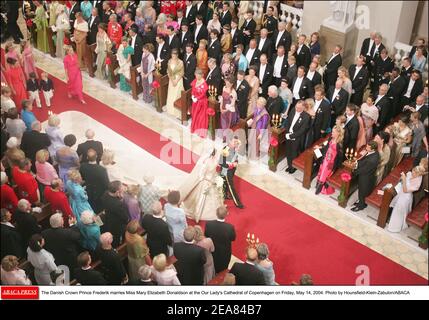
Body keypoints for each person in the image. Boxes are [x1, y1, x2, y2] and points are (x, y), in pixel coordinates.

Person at [388, 165, 425, 233]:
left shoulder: (416, 185)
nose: (413, 173)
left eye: (416, 173)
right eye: (413, 171)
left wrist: (405, 179)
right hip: (401, 194)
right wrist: (402, 178)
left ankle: (395, 228)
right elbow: (401, 181)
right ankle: (392, 224)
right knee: (396, 210)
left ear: (419, 174)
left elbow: (405, 190)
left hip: (406, 198)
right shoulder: (409, 173)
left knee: (399, 211)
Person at [314, 125, 344, 195]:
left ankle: (320, 187)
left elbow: (340, 156)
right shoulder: (331, 138)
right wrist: (319, 147)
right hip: (325, 159)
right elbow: (326, 146)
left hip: (331, 163)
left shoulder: (339, 144)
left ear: (338, 133)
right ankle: (318, 184)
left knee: (325, 174)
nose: (332, 133)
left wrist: (339, 167)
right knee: (321, 171)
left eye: (333, 132)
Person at [351, 141, 380, 212]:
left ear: (373, 149)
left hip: (366, 178)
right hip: (366, 175)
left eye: (368, 147)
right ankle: (361, 203)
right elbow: (365, 161)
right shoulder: (374, 153)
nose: (366, 147)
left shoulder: (372, 160)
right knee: (361, 191)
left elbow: (364, 170)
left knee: (362, 191)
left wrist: (354, 171)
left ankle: (361, 206)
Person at [284, 100, 311, 174]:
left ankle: (293, 167)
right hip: (288, 134)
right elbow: (288, 121)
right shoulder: (293, 110)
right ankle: (289, 165)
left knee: (294, 153)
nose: (297, 109)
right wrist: (287, 132)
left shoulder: (306, 117)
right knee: (288, 151)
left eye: (299, 108)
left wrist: (291, 135)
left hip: (297, 138)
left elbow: (302, 130)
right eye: (296, 107)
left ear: (303, 107)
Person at [101, 181, 130, 248]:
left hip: (108, 218)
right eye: (122, 190)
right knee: (116, 238)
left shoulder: (105, 194)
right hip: (117, 225)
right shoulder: (118, 204)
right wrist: (121, 199)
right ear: (117, 192)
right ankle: (118, 246)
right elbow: (125, 217)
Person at [80, 149, 109, 214]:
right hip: (98, 194)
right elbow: (106, 184)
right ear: (96, 157)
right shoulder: (102, 170)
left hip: (88, 190)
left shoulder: (83, 166)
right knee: (97, 210)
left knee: (89, 207)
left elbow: (82, 178)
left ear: (87, 157)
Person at [219, 137, 244, 208]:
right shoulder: (225, 150)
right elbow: (221, 163)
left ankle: (225, 195)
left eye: (236, 142)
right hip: (226, 171)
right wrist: (232, 165)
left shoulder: (235, 148)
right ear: (229, 141)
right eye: (234, 142)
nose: (235, 143)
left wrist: (236, 162)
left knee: (225, 184)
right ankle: (238, 203)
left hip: (232, 170)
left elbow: (236, 158)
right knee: (231, 187)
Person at [247, 97, 270, 161]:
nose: (257, 104)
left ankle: (256, 155)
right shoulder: (257, 108)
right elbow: (254, 116)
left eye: (259, 103)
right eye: (257, 103)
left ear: (263, 105)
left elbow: (264, 125)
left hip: (259, 130)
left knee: (256, 143)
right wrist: (251, 122)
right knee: (251, 140)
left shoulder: (265, 114)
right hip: (254, 127)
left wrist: (261, 134)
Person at [166, 49, 185, 118]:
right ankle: (170, 109)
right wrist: (171, 79)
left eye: (174, 55)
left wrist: (176, 81)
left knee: (177, 94)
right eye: (172, 54)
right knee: (171, 94)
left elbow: (182, 73)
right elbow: (168, 71)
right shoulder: (169, 61)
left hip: (178, 80)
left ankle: (176, 111)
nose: (173, 56)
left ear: (177, 55)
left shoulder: (181, 62)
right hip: (171, 80)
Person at [190, 68, 209, 137]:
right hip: (195, 101)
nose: (197, 77)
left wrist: (197, 98)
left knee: (201, 117)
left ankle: (201, 131)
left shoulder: (204, 83)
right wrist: (192, 96)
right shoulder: (195, 80)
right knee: (194, 114)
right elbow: (193, 90)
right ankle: (194, 128)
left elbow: (203, 94)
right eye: (196, 75)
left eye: (198, 75)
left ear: (202, 75)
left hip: (202, 102)